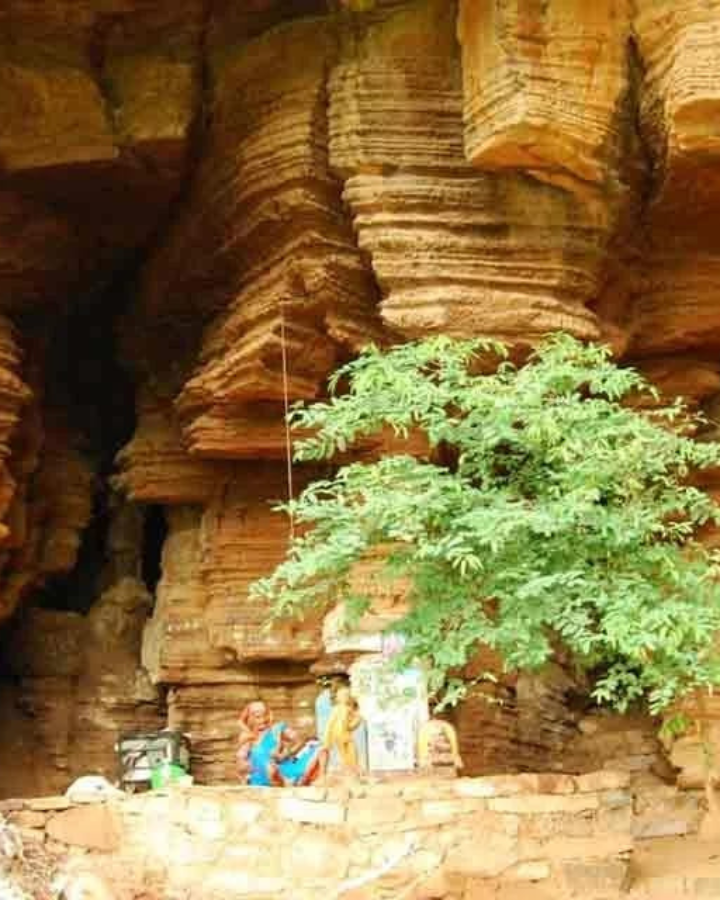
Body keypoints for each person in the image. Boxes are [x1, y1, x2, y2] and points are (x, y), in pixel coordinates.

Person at [237, 700, 327, 787]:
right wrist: (244, 765)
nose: (263, 720)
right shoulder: (248, 736)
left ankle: (320, 778)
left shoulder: (277, 729)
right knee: (269, 768)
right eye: (258, 717)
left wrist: (286, 754)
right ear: (251, 719)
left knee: (316, 745)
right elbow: (241, 761)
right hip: (261, 774)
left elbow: (299, 740)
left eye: (265, 715)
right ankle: (286, 781)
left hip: (283, 767)